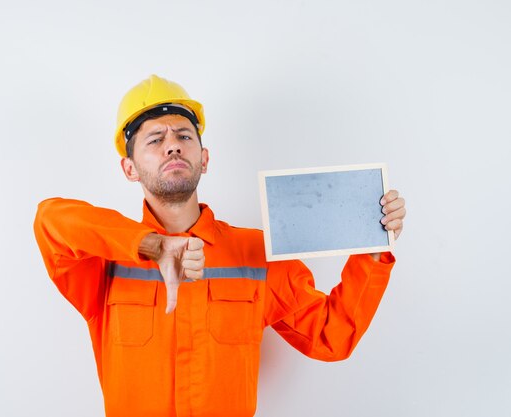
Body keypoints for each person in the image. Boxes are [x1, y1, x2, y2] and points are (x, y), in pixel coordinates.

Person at [33, 74, 406, 417]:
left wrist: (372, 247)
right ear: (129, 168)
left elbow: (332, 336)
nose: (173, 147)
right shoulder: (104, 263)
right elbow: (50, 220)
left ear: (204, 158)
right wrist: (152, 246)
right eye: (155, 139)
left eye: (184, 136)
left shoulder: (257, 255)